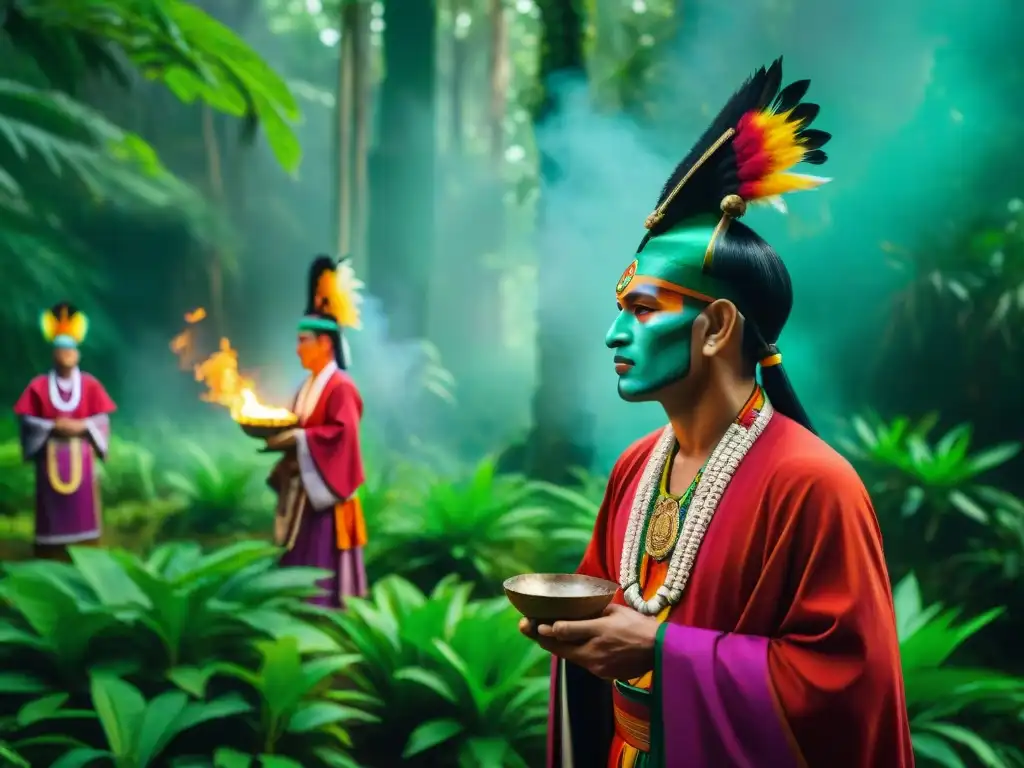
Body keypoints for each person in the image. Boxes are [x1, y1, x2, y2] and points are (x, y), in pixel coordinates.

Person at [522, 59, 914, 768]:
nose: (614, 334)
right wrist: (576, 636)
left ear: (718, 327)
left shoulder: (814, 486)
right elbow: (607, 625)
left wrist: (659, 649)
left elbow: (848, 692)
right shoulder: (635, 468)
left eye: (642, 310)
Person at [265, 255, 368, 608]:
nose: (297, 348)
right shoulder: (307, 386)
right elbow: (299, 424)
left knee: (324, 581)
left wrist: (301, 439)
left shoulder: (341, 387)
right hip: (304, 493)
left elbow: (343, 437)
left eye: (303, 340)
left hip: (326, 494)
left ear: (325, 343)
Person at [13, 303, 116, 561]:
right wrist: (52, 427)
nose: (66, 354)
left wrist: (83, 426)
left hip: (81, 463)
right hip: (50, 463)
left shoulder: (90, 386)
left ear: (78, 354)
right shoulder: (38, 386)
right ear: (53, 353)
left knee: (84, 516)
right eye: (61, 349)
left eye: (70, 349)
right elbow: (28, 422)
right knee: (52, 520)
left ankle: (89, 558)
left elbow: (102, 420)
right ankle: (50, 559)